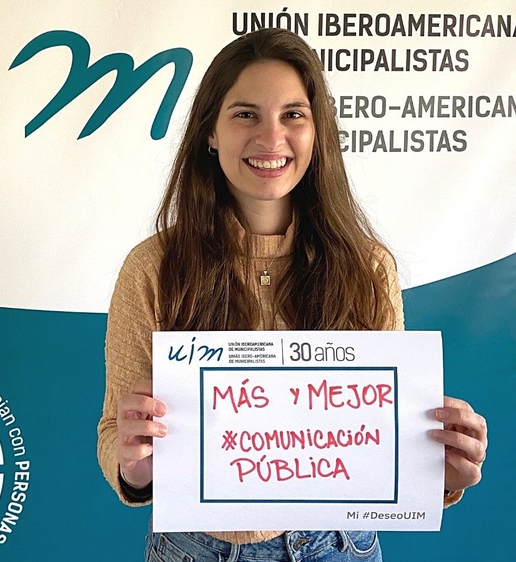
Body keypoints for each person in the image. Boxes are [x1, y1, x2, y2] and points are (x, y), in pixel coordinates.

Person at [96, 28, 488, 562]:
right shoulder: (153, 268)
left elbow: (384, 444)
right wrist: (134, 466)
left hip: (339, 545)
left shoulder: (368, 268)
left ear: (317, 132)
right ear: (210, 132)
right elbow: (114, 433)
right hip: (195, 547)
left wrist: (436, 472)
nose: (271, 136)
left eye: (293, 115)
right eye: (245, 114)